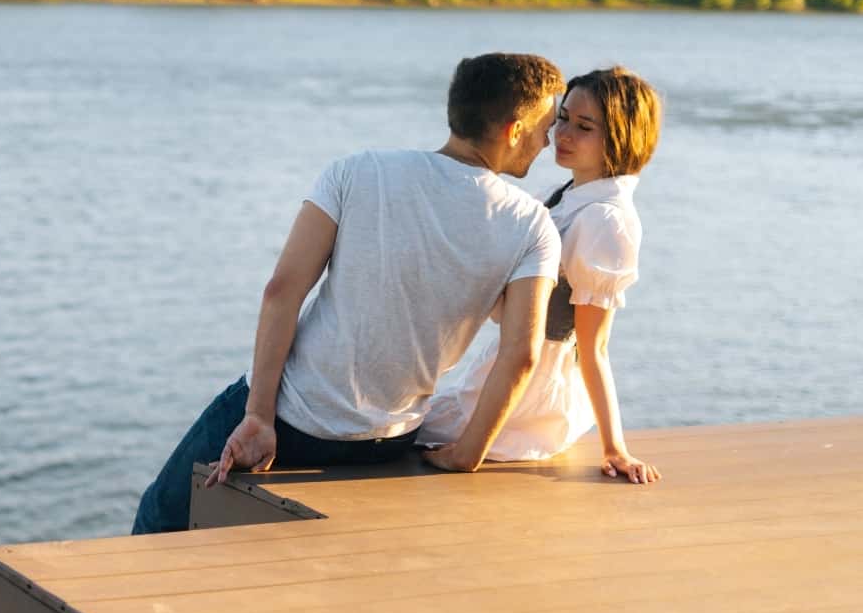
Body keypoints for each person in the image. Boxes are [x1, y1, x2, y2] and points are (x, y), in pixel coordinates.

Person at [131, 52, 566, 536]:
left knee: (159, 518)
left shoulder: (359, 171)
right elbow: (521, 352)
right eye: (545, 127)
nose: (547, 140)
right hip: (387, 440)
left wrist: (257, 415)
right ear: (513, 129)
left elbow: (282, 291)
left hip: (291, 416)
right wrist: (468, 452)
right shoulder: (532, 226)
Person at [418, 66, 663, 484]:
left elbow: (593, 345)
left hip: (533, 398)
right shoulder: (568, 196)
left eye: (584, 126)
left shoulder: (606, 220)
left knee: (391, 434)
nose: (563, 134)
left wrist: (614, 448)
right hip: (507, 367)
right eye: (563, 118)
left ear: (622, 135)